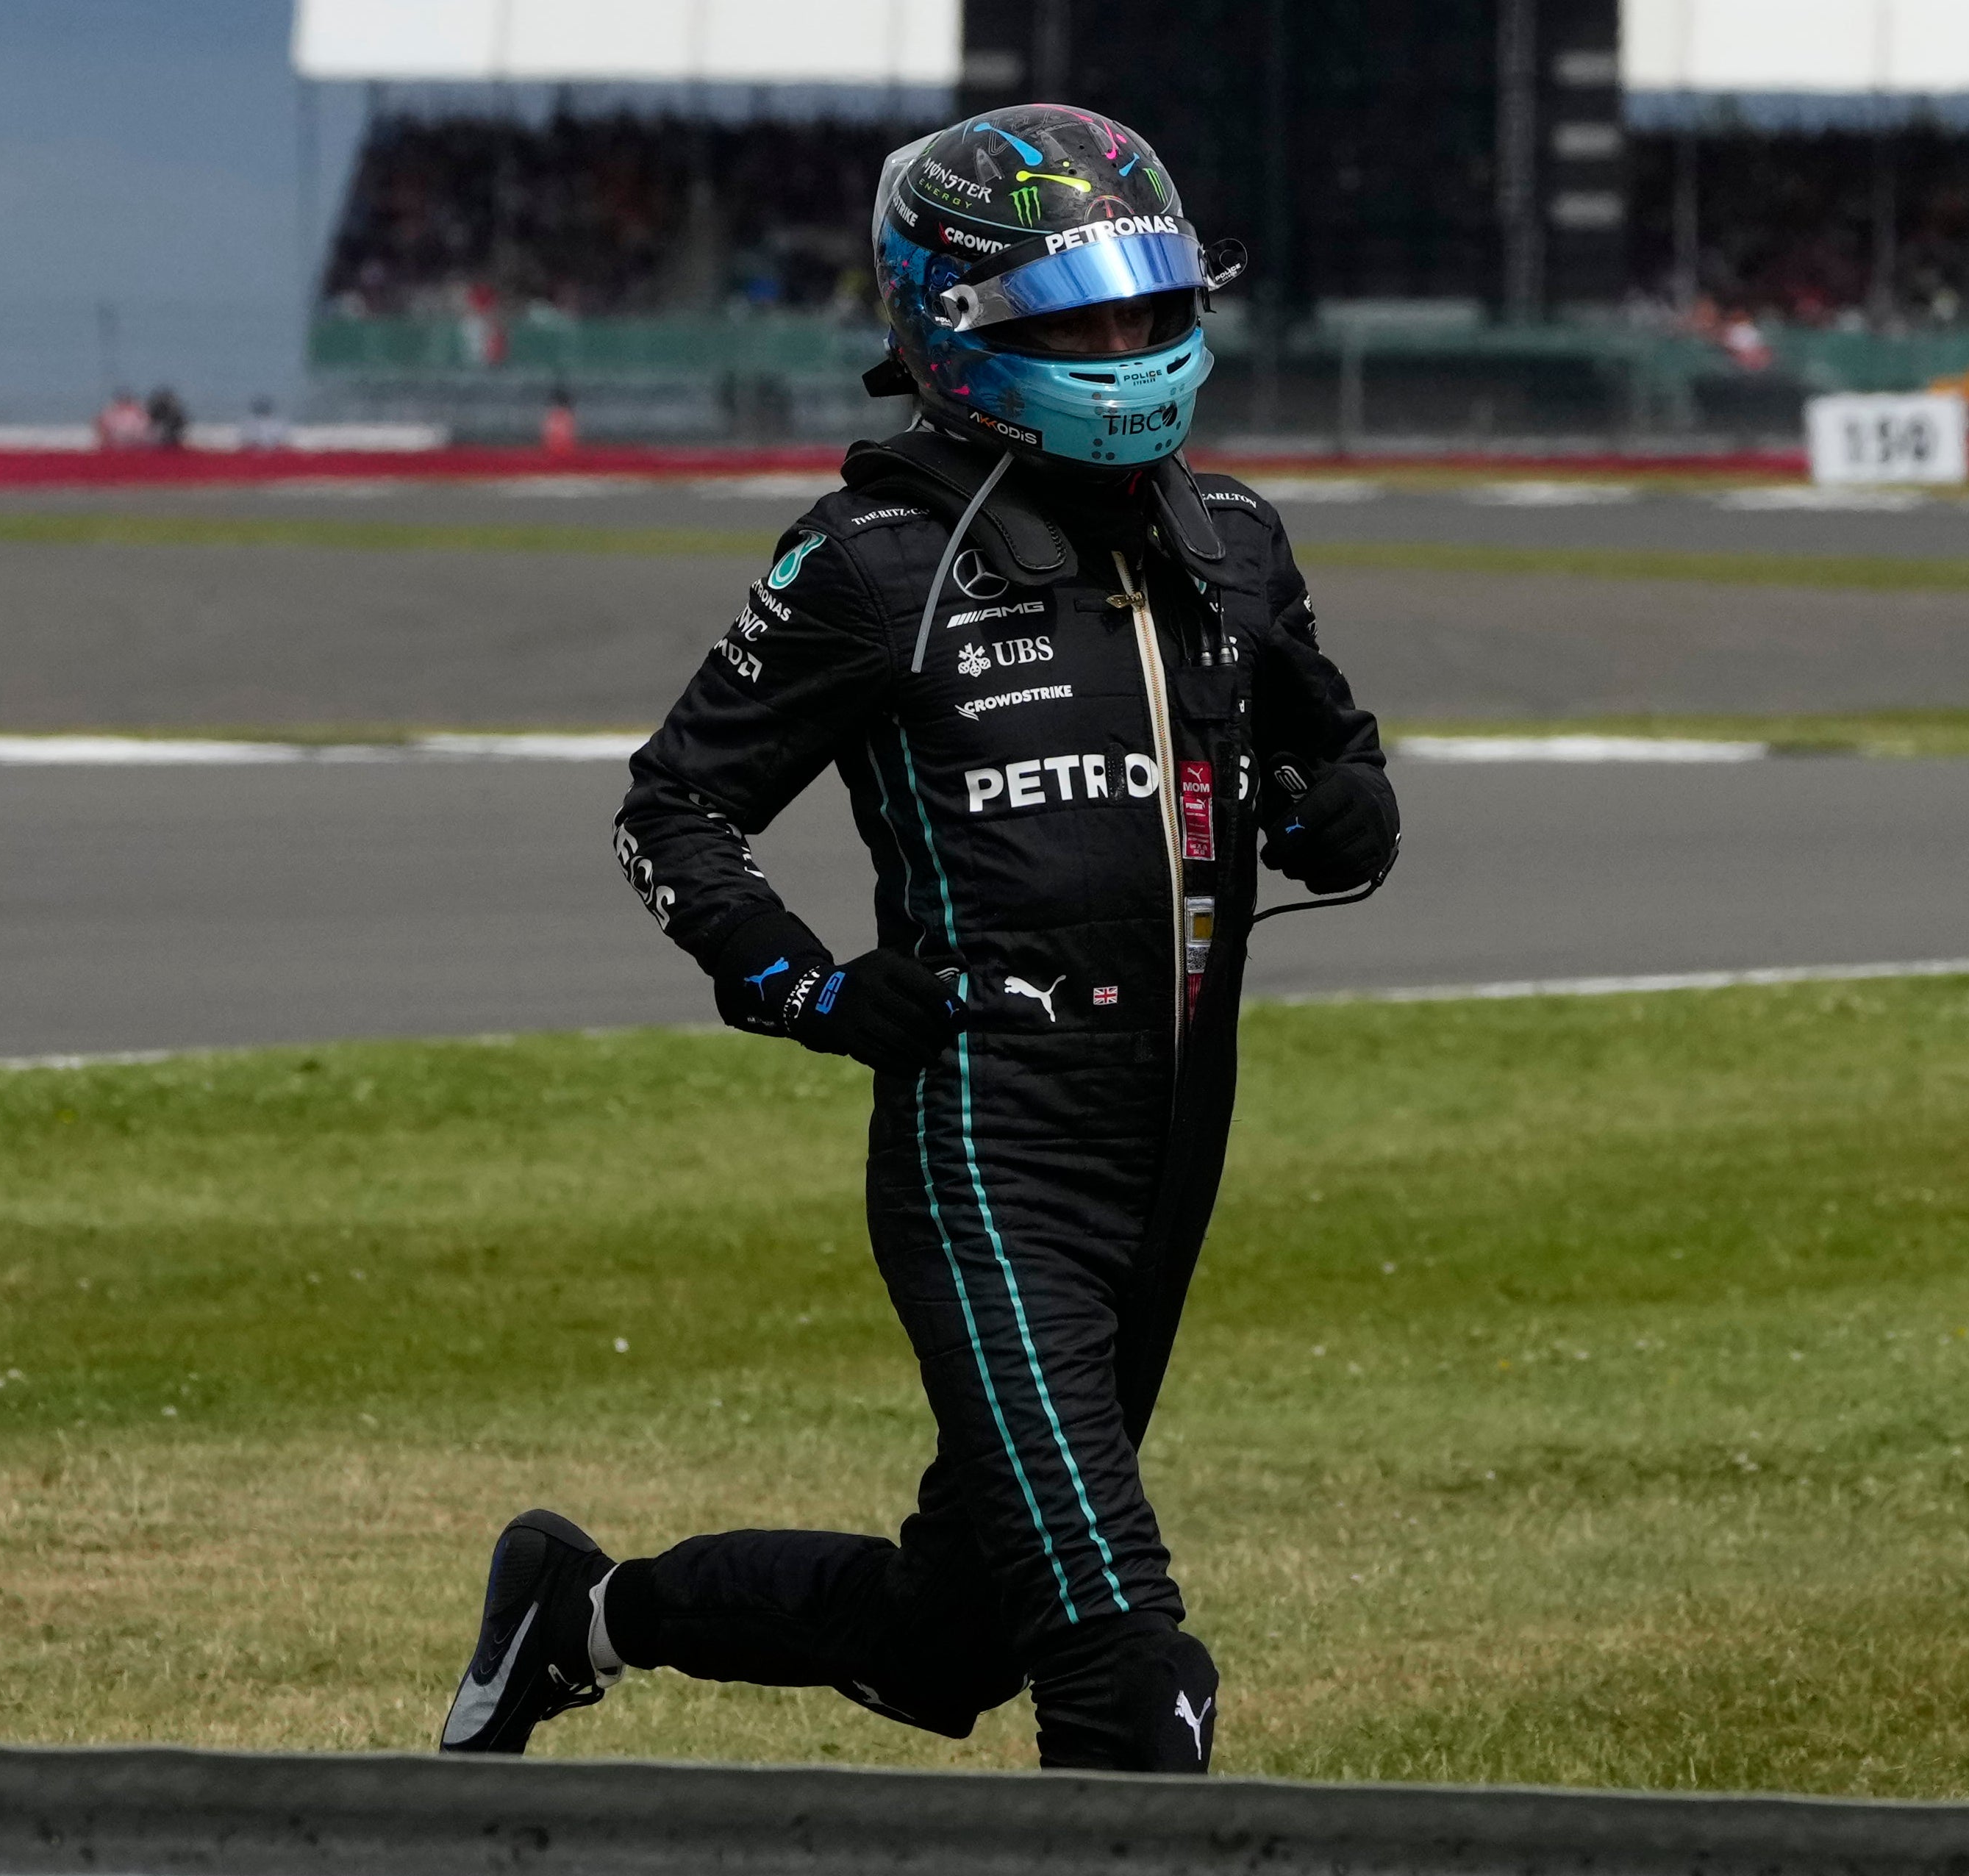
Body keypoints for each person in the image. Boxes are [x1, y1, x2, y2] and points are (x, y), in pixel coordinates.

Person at [439, 103, 1398, 1774]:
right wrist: (802, 984)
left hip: (1169, 1154)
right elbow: (672, 811)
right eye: (1070, 318)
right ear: (954, 327)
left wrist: (1347, 806)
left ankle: (576, 1612)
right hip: (987, 1160)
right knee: (1122, 1654)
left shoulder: (1231, 541)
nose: (1121, 348)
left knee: (950, 1636)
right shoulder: (874, 559)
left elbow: (1328, 745)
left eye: (1147, 309)